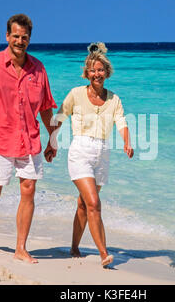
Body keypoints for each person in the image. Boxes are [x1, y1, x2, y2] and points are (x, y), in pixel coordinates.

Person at [0, 13, 57, 264]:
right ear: (7, 36)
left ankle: (21, 247)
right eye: (16, 36)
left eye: (25, 37)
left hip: (30, 140)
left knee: (28, 190)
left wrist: (53, 138)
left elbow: (45, 107)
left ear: (30, 39)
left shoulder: (39, 68)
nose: (20, 41)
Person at [50, 42, 134, 267]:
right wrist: (52, 141)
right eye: (93, 70)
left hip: (102, 154)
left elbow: (121, 121)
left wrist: (127, 142)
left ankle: (74, 246)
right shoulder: (76, 94)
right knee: (94, 203)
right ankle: (103, 253)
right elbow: (60, 116)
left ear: (107, 72)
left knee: (83, 204)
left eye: (101, 70)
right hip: (80, 152)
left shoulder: (114, 99)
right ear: (87, 73)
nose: (97, 74)